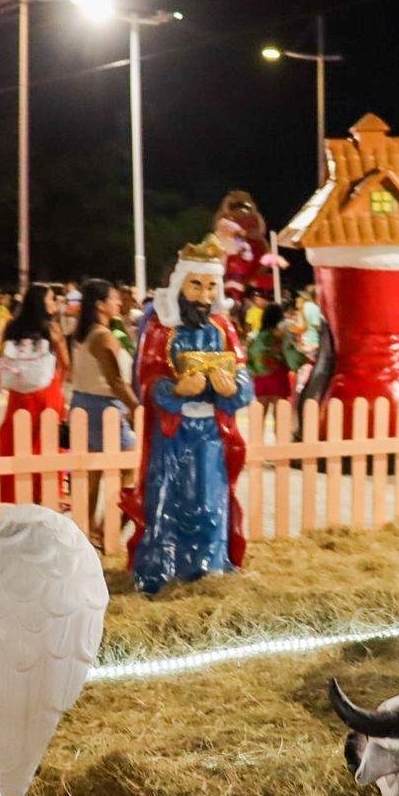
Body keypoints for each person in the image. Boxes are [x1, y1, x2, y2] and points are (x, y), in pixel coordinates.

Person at [120, 240, 255, 593]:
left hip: (211, 432)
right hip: (172, 434)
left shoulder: (224, 329)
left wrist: (232, 387)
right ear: (180, 285)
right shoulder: (161, 329)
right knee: (168, 503)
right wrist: (175, 390)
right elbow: (146, 379)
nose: (203, 294)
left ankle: (208, 570)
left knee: (210, 505)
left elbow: (243, 375)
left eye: (211, 286)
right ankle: (162, 572)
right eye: (196, 284)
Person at [70, 279, 140, 535]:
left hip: (82, 402)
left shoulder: (83, 332)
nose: (119, 302)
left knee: (92, 473)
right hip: (104, 405)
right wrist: (136, 406)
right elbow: (116, 380)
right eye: (114, 298)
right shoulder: (103, 336)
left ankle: (87, 530)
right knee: (130, 468)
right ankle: (107, 528)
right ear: (101, 305)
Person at [0, 284, 69, 505]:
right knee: (45, 443)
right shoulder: (51, 329)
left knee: (16, 440)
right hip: (46, 393)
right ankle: (44, 493)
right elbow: (66, 362)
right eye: (50, 299)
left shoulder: (12, 327)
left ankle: (10, 492)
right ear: (41, 303)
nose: (54, 304)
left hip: (18, 394)